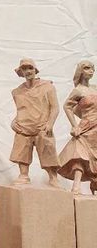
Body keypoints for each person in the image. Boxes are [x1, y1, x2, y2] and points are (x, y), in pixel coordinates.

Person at [9, 58, 59, 187]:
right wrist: (14, 122)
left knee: (47, 150)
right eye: (24, 69)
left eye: (30, 68)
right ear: (21, 72)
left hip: (42, 126)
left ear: (35, 70)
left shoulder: (47, 87)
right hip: (23, 127)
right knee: (21, 150)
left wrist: (50, 123)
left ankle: (53, 177)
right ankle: (23, 175)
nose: (28, 71)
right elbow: (22, 110)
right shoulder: (17, 92)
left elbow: (54, 107)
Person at [58, 60, 97, 194]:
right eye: (87, 68)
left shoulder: (95, 88)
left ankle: (94, 183)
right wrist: (74, 125)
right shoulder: (78, 90)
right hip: (86, 127)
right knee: (79, 154)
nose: (91, 71)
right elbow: (67, 106)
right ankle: (76, 186)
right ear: (80, 71)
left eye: (92, 68)